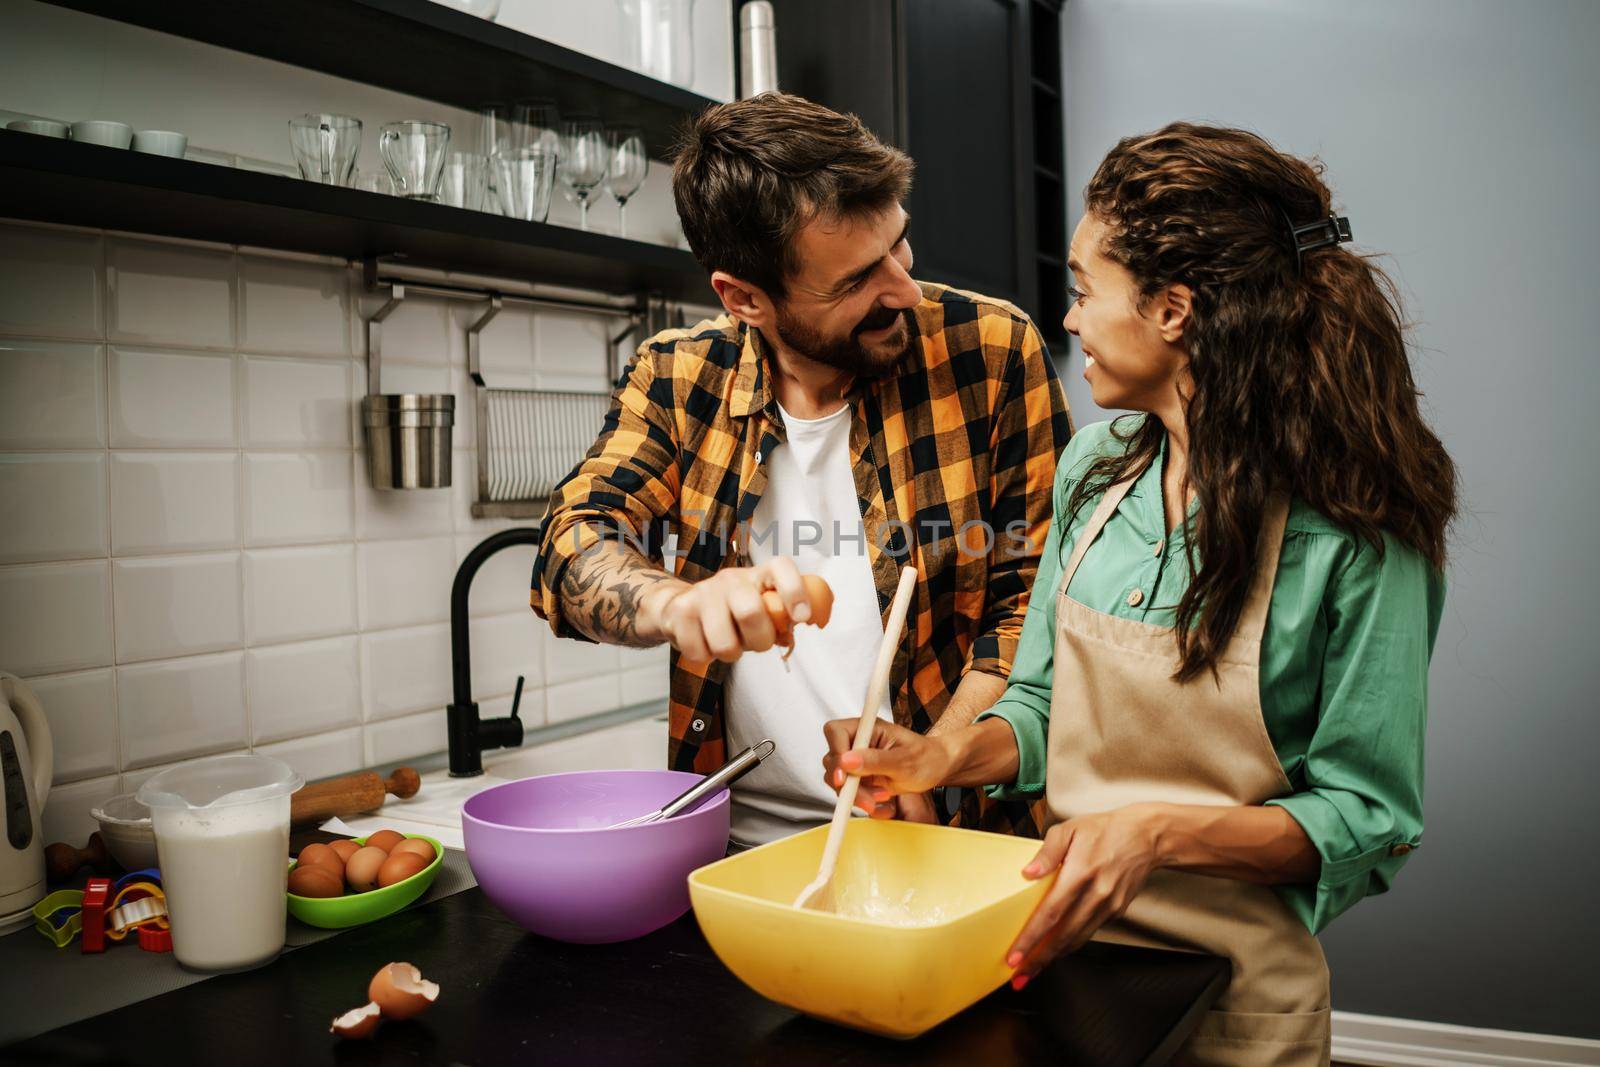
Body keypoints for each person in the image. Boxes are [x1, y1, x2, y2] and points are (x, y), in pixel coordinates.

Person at [821, 122, 1457, 1064]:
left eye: (1084, 290)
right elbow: (1040, 705)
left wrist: (1155, 834)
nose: (1069, 320)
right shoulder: (1093, 468)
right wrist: (939, 757)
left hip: (1238, 1000)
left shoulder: (1359, 527)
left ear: (1173, 310)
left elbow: (1368, 817)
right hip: (1054, 966)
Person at [531, 92, 1073, 848]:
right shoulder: (678, 378)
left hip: (960, 837)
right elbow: (569, 546)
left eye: (900, 245)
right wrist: (676, 606)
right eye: (856, 282)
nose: (905, 291)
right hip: (741, 851)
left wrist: (939, 759)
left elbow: (1037, 602)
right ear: (744, 297)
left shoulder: (989, 350)